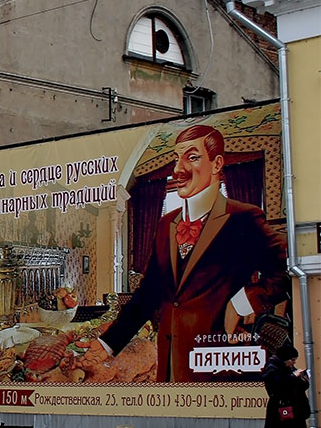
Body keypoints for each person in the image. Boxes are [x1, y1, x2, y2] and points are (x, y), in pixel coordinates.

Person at [79, 124, 288, 382]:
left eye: (192, 157)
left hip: (217, 368)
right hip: (170, 368)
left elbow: (285, 270)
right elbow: (147, 295)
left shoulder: (244, 218)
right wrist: (107, 343)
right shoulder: (166, 224)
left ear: (216, 163)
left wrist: (241, 302)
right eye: (177, 158)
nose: (178, 169)